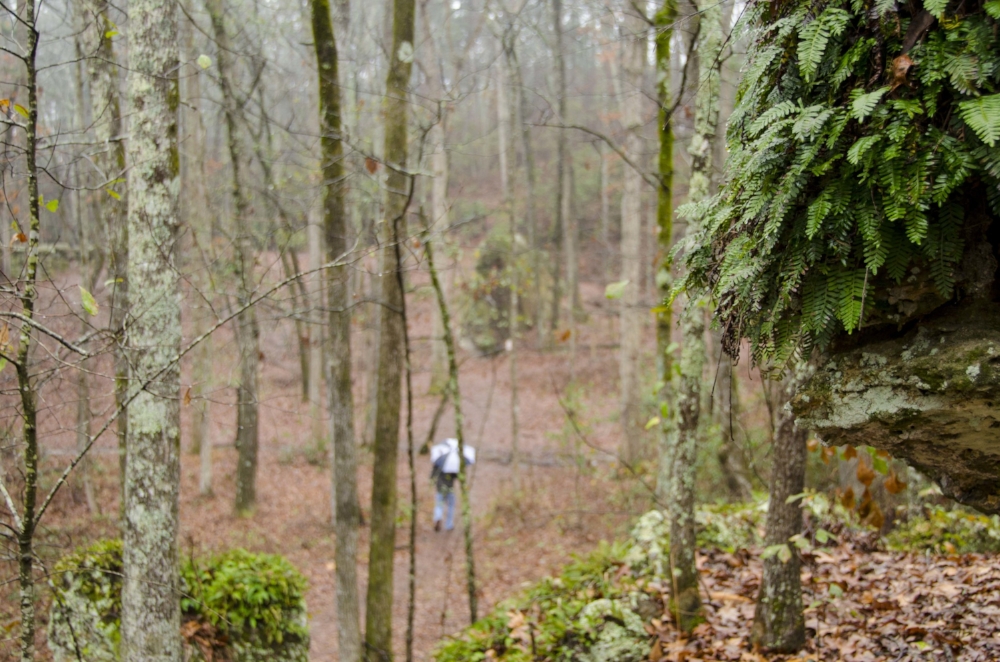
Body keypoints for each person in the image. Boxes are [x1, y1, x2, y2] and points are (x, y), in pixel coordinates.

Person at [429, 437, 475, 532]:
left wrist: (432, 481)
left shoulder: (439, 462)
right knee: (451, 505)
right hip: (450, 488)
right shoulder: (454, 463)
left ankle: (438, 518)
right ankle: (449, 524)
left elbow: (433, 476)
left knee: (439, 504)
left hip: (439, 488)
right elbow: (458, 476)